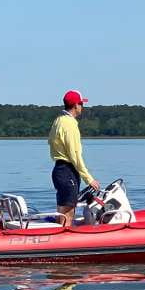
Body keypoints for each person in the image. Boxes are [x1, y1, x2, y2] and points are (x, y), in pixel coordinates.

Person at [49, 90, 99, 227]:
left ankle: (61, 234)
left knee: (62, 208)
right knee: (68, 212)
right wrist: (89, 179)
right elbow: (75, 155)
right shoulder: (70, 124)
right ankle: (64, 240)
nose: (82, 107)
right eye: (81, 104)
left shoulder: (58, 120)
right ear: (76, 105)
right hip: (67, 171)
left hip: (59, 169)